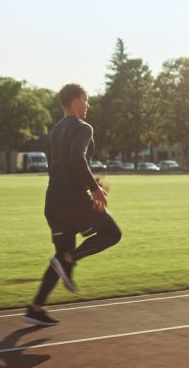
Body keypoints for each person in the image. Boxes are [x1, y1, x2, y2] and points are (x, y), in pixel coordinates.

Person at [23, 83, 122, 326]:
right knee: (112, 233)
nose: (88, 105)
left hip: (53, 202)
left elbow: (61, 166)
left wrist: (89, 180)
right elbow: (76, 156)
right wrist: (94, 188)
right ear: (75, 102)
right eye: (86, 100)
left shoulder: (55, 130)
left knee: (59, 256)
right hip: (74, 200)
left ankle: (36, 307)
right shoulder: (84, 128)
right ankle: (70, 259)